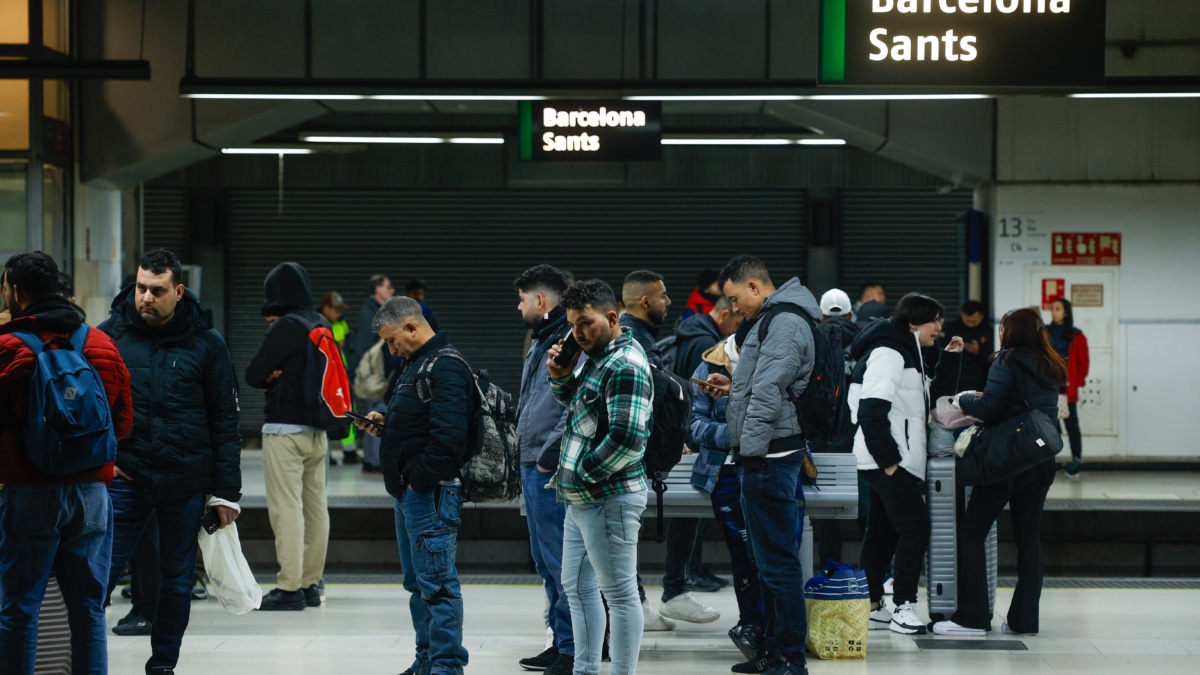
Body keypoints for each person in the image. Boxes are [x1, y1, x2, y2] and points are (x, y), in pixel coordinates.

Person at [99, 248, 242, 673]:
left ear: (178, 291)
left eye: (157, 290)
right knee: (99, 574)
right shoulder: (109, 337)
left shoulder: (207, 343)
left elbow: (224, 420)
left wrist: (226, 493)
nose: (146, 297)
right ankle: (83, 658)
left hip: (185, 480)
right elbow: (92, 409)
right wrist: (105, 462)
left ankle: (163, 664)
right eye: (141, 287)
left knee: (176, 581)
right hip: (127, 476)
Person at [0, 251, 133, 675]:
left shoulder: (7, 348)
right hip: (92, 495)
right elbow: (123, 423)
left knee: (19, 607)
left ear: (16, 291)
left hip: (29, 494)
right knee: (88, 609)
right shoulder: (100, 344)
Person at [699, 255, 819, 675]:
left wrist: (746, 451)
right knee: (766, 560)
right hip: (765, 452)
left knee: (778, 561)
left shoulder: (784, 321)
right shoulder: (774, 319)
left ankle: (789, 657)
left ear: (754, 286)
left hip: (769, 456)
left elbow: (769, 392)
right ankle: (773, 650)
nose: (733, 309)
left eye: (734, 298)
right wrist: (733, 390)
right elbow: (764, 386)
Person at [932, 308, 1066, 637]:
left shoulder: (1007, 360)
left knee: (972, 530)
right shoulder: (1050, 363)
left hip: (1007, 460)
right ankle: (1024, 622)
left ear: (1012, 332)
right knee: (1028, 538)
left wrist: (964, 400)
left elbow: (991, 408)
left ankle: (973, 619)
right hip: (1040, 459)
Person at [356, 296, 471, 675]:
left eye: (392, 340)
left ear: (411, 327)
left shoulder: (446, 366)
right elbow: (421, 424)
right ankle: (426, 662)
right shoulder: (414, 365)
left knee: (437, 586)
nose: (391, 349)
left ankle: (446, 667)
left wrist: (418, 483)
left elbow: (449, 439)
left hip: (431, 493)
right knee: (419, 585)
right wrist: (385, 423)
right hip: (412, 493)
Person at [546, 279, 653, 675]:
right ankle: (585, 668)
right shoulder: (597, 356)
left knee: (621, 594)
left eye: (586, 323)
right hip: (584, 498)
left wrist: (583, 475)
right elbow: (581, 408)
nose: (578, 333)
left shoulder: (625, 365)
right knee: (577, 587)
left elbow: (628, 439)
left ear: (612, 317)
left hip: (607, 496)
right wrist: (560, 374)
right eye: (573, 324)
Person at [847, 292, 963, 636]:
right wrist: (890, 462)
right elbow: (871, 408)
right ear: (913, 322)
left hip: (889, 459)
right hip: (886, 460)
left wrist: (951, 359)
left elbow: (927, 402)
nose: (939, 328)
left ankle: (872, 606)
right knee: (915, 528)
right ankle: (903, 605)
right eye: (934, 321)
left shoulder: (907, 352)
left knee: (881, 533)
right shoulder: (889, 353)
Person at [245, 262, 331, 611]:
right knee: (316, 509)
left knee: (287, 510)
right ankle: (311, 584)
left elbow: (253, 373)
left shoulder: (286, 327)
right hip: (317, 432)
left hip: (285, 431)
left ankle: (289, 587)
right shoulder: (321, 323)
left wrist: (271, 377)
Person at [690, 333, 769, 661]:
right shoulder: (709, 365)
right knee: (743, 551)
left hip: (767, 469)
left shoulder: (771, 362)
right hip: (723, 473)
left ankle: (770, 627)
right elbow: (694, 425)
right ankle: (752, 623)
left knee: (768, 552)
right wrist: (735, 437)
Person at [513, 265, 575, 675]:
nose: (518, 307)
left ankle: (572, 649)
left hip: (546, 467)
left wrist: (546, 456)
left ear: (540, 300)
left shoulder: (566, 341)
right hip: (533, 462)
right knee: (544, 559)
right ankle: (559, 639)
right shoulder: (543, 340)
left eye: (521, 299)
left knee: (560, 561)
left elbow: (570, 408)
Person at [660, 296, 741, 606]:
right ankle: (679, 582)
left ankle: (680, 581)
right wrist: (736, 437)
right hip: (706, 463)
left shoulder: (690, 334)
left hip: (712, 459)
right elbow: (696, 416)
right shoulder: (710, 353)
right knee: (687, 520)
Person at [811, 288, 862, 566]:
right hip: (858, 439)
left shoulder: (812, 339)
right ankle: (875, 572)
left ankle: (830, 566)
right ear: (850, 313)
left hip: (820, 438)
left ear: (820, 314)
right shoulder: (865, 342)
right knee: (865, 506)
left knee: (824, 508)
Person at [347, 274, 396, 467]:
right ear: (378, 289)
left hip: (379, 372)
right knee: (378, 412)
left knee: (373, 412)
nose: (391, 291)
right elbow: (363, 348)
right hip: (376, 374)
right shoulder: (370, 313)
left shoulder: (376, 310)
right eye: (388, 287)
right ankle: (376, 461)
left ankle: (371, 459)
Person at [1047, 297, 1089, 478]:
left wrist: (1076, 381)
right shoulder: (1046, 332)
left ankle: (1077, 461)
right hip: (1048, 386)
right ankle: (1048, 461)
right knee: (1049, 426)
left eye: (1057, 309)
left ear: (1066, 312)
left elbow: (1083, 362)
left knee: (1072, 426)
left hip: (1066, 388)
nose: (1053, 312)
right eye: (1052, 308)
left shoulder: (1076, 335)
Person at [320, 291, 359, 468]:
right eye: (336, 310)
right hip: (326, 375)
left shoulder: (342, 323)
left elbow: (348, 348)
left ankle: (349, 450)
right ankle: (326, 453)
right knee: (327, 410)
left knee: (349, 409)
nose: (339, 314)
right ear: (326, 308)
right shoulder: (318, 323)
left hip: (343, 372)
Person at [942, 300, 993, 394]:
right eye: (967, 321)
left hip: (979, 382)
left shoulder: (987, 331)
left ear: (981, 316)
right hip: (955, 380)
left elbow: (991, 360)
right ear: (962, 314)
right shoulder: (950, 329)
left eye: (974, 322)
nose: (970, 324)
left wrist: (978, 351)